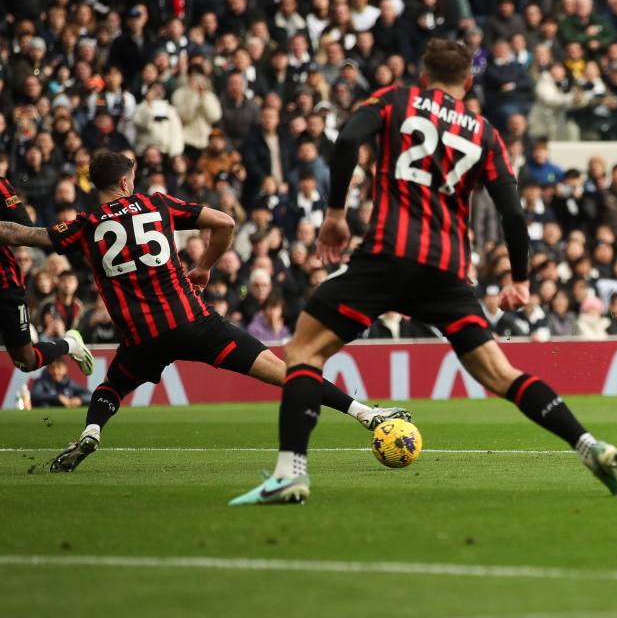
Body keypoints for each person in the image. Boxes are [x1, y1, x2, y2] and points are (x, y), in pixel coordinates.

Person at [230, 39, 617, 505]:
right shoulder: (485, 132)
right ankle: (588, 445)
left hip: (385, 256)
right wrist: (520, 279)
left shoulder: (395, 100)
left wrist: (337, 212)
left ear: (424, 75)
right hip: (446, 271)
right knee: (501, 374)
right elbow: (513, 214)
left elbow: (345, 139)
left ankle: (291, 473)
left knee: (303, 351)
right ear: (468, 82)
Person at [0, 152, 408, 472]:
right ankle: (366, 414)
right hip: (194, 323)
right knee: (283, 370)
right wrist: (205, 266)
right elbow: (225, 222)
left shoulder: (86, 224)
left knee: (114, 385)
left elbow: (25, 235)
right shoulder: (156, 203)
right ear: (126, 181)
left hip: (142, 336)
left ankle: (91, 431)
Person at [0, 177, 93, 378]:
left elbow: (24, 226)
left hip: (4, 284)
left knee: (25, 360)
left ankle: (70, 344)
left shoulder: (1, 186)